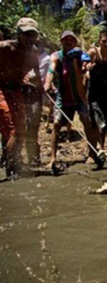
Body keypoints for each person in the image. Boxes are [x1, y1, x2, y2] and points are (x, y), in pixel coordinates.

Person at [44, 30, 102, 169]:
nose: (68, 41)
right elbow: (51, 70)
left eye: (71, 39)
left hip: (79, 97)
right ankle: (53, 158)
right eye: (65, 39)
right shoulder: (57, 56)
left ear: (75, 42)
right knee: (57, 125)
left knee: (87, 123)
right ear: (61, 41)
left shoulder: (80, 54)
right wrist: (47, 82)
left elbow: (86, 64)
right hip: (63, 97)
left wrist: (87, 67)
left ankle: (92, 154)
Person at [0, 18, 45, 178]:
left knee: (16, 130)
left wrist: (41, 89)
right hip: (2, 91)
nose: (29, 39)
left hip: (16, 91)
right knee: (16, 130)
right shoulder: (5, 47)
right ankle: (11, 168)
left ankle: (10, 162)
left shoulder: (32, 55)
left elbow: (38, 76)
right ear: (18, 34)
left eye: (32, 35)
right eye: (26, 35)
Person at [87, 29, 107, 151]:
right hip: (95, 93)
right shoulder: (93, 53)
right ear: (99, 41)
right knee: (97, 123)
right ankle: (95, 150)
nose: (106, 44)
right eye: (104, 41)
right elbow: (83, 66)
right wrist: (87, 67)